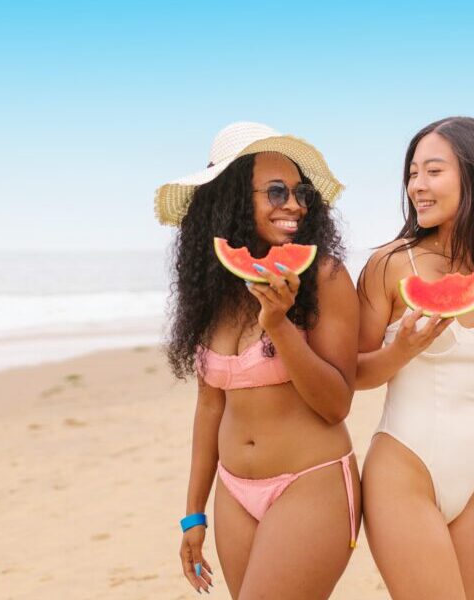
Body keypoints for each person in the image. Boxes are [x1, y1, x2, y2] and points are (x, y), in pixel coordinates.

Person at [155, 122, 360, 598]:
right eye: (275, 191)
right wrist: (193, 514)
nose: (293, 204)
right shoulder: (215, 290)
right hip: (233, 494)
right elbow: (210, 406)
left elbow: (335, 405)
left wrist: (281, 325)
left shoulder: (325, 276)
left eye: (300, 192)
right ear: (230, 200)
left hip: (311, 482)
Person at [356, 116, 474, 599]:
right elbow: (350, 375)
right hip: (402, 468)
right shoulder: (390, 264)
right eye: (413, 172)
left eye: (433, 171)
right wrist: (400, 350)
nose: (417, 185)